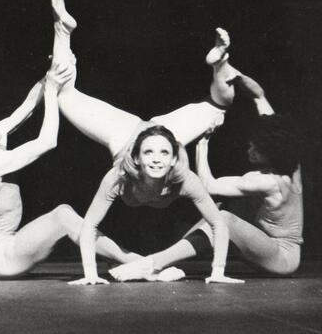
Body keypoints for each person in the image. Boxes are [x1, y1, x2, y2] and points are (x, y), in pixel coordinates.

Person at [49, 0, 267, 285]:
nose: (156, 161)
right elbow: (89, 226)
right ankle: (63, 29)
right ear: (137, 159)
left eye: (164, 155)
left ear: (175, 156)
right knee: (61, 95)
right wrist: (90, 275)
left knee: (220, 105)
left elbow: (218, 222)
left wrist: (218, 273)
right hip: (125, 135)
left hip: (166, 132)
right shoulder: (119, 175)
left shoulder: (184, 177)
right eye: (149, 156)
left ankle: (219, 63)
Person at [0, 0, 139, 279]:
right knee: (62, 215)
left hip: (12, 245)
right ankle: (134, 260)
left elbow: (24, 109)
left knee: (64, 217)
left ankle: (62, 30)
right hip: (1, 256)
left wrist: (51, 74)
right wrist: (50, 90)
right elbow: (47, 142)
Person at [109, 100, 303, 281]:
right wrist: (256, 95)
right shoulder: (293, 169)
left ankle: (152, 263)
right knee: (215, 211)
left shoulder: (266, 181)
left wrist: (203, 142)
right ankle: (162, 263)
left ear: (271, 151)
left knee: (224, 219)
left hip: (282, 258)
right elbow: (272, 125)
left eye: (256, 148)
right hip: (263, 247)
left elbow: (208, 185)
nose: (249, 148)